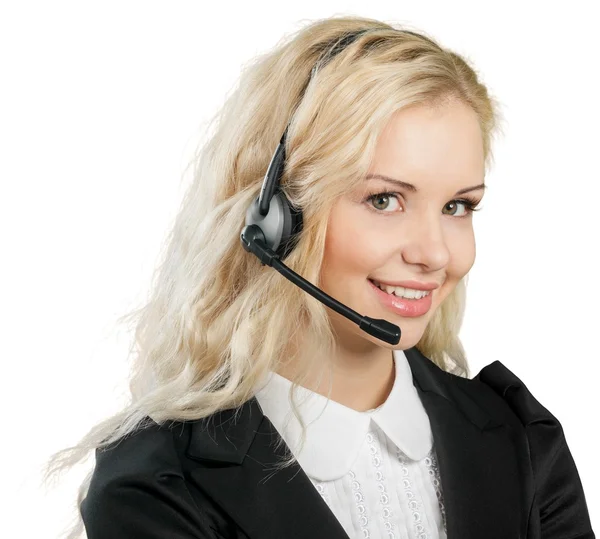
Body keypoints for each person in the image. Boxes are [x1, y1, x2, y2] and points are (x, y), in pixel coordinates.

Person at [44, 15, 595, 539]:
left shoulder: (519, 439)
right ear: (276, 218)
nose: (435, 253)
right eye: (385, 200)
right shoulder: (158, 484)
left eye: (457, 207)